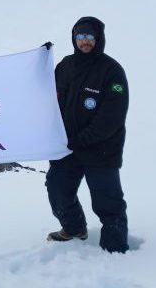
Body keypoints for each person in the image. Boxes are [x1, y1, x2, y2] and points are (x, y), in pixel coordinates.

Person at [46, 17, 129, 253]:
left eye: (89, 37)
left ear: (98, 39)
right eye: (80, 36)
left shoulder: (111, 70)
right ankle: (74, 229)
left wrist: (81, 139)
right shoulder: (65, 66)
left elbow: (112, 117)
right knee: (57, 188)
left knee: (107, 200)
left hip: (101, 149)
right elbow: (48, 99)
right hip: (67, 147)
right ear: (74, 39)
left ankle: (115, 247)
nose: (84, 41)